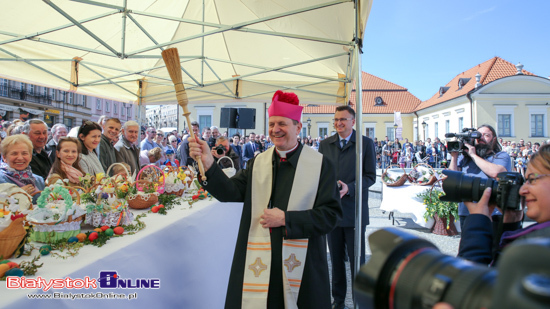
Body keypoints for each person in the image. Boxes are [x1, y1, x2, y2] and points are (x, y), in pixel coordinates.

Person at [188, 90, 341, 308]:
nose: (275, 129)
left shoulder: (321, 165)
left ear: (298, 127)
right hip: (259, 261)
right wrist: (209, 164)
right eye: (271, 124)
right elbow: (229, 193)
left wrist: (286, 219)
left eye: (282, 123)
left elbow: (331, 215)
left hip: (302, 266)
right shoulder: (258, 162)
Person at [318, 105, 376, 309]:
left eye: (343, 119)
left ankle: (360, 301)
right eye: (335, 120)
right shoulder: (325, 145)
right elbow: (321, 175)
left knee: (356, 260)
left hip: (355, 212)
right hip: (332, 212)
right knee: (335, 260)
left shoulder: (365, 144)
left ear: (353, 121)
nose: (338, 123)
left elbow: (370, 177)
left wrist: (349, 188)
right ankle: (339, 301)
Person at [458, 144, 550, 265]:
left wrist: (477, 222)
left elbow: (474, 280)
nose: (522, 190)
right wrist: (510, 224)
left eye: (532, 180)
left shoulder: (539, 248)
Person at [449, 124, 512, 231]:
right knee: (470, 244)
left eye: (486, 135)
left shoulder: (501, 156)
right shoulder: (465, 158)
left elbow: (495, 173)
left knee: (494, 246)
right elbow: (451, 179)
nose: (481, 138)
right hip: (467, 211)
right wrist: (454, 157)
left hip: (493, 212)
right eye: (478, 135)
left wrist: (473, 156)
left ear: (494, 139)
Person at [0, 134, 45, 203]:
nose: (20, 158)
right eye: (14, 154)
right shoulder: (1, 180)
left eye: (24, 153)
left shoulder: (39, 180)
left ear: (30, 156)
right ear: (4, 157)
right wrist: (17, 196)